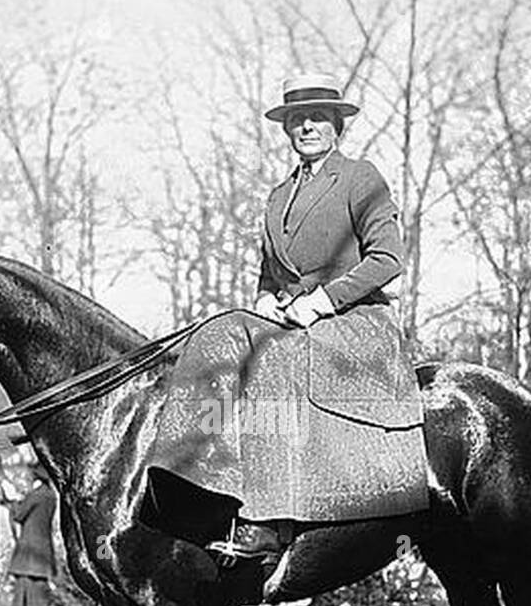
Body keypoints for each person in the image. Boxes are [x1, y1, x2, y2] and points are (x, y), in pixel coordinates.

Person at [140, 72, 428, 565]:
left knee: (269, 357)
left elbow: (387, 259)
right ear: (287, 129)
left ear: (336, 124)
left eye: (317, 117)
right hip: (294, 321)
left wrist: (322, 301)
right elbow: (268, 275)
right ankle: (189, 479)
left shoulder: (360, 178)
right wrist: (266, 300)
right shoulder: (278, 196)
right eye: (297, 119)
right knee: (218, 334)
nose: (307, 127)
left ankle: (270, 520)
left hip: (354, 322)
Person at [7, 471, 58, 606]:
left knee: (26, 591)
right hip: (42, 553)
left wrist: (13, 500)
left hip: (29, 553)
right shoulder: (51, 495)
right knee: (37, 592)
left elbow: (19, 515)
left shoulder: (35, 496)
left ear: (35, 478)